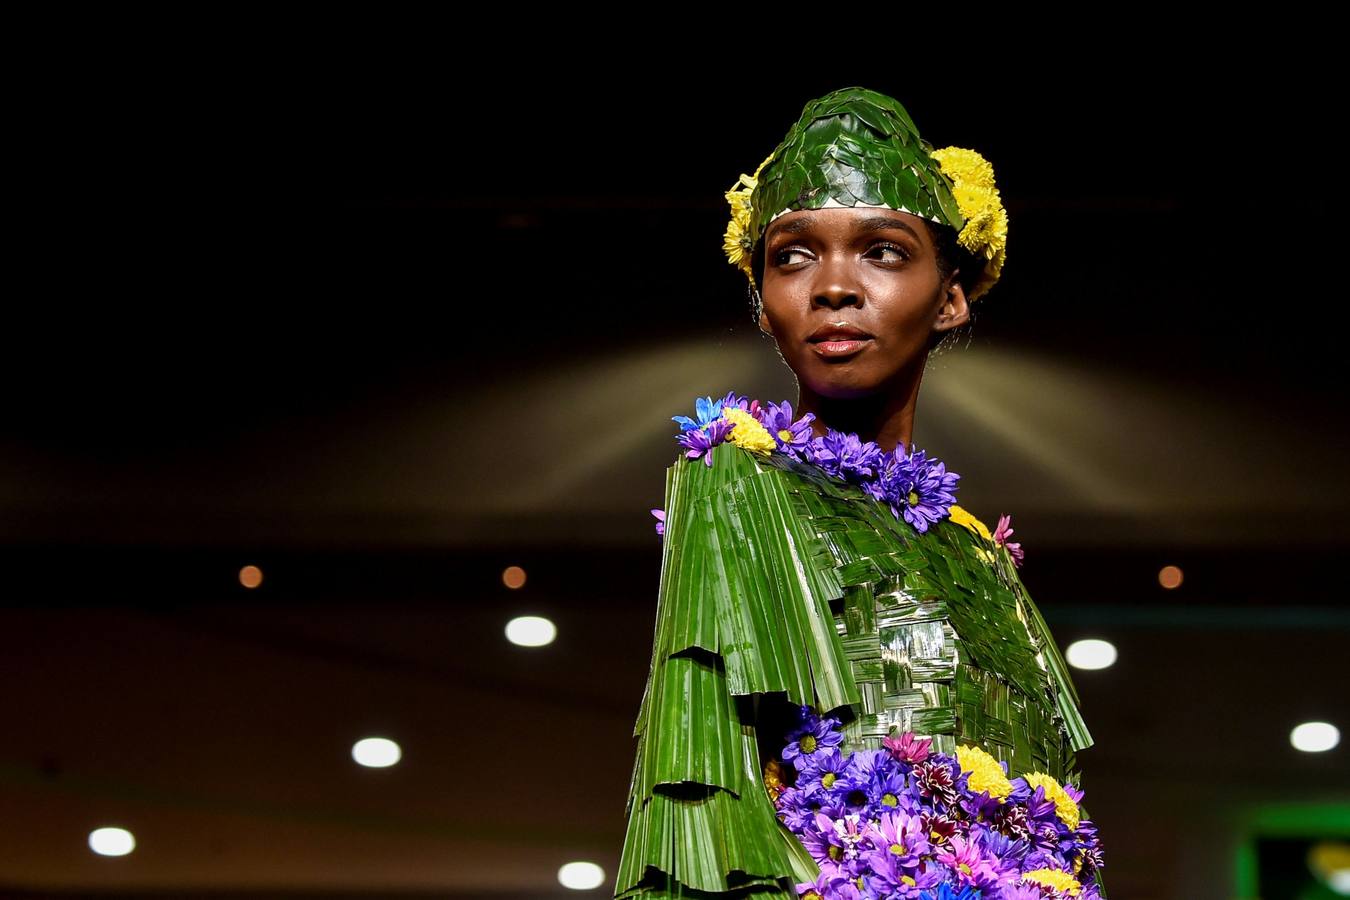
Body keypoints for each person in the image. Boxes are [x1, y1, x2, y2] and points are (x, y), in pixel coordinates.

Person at [616, 87, 1106, 900]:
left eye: (882, 250)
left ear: (951, 296)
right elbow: (700, 807)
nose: (834, 286)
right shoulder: (737, 484)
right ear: (763, 302)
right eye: (794, 255)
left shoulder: (978, 551)